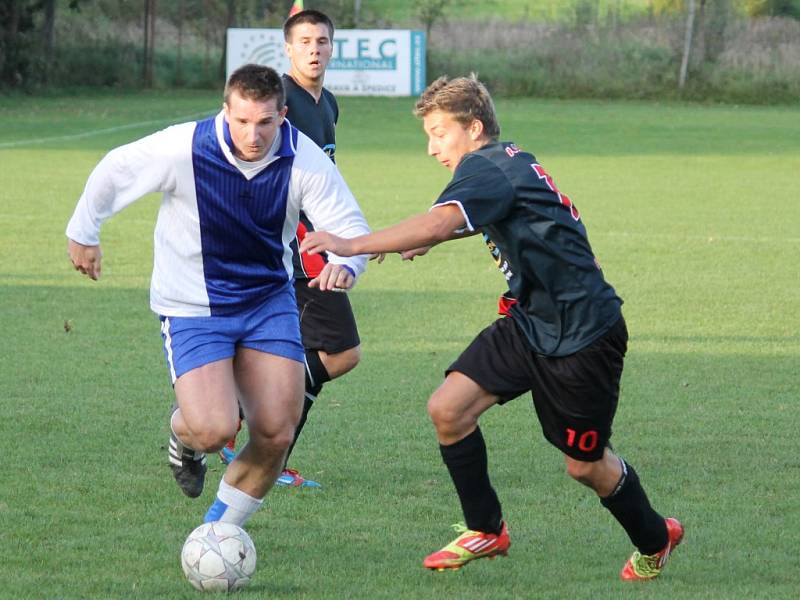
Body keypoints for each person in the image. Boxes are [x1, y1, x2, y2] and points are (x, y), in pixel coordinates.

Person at [300, 75, 683, 580]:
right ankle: (486, 529)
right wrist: (435, 240)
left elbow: (441, 219)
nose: (432, 148)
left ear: (473, 127)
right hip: (529, 321)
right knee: (448, 409)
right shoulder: (503, 161)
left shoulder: (484, 168)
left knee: (585, 466)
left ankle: (657, 537)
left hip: (584, 336)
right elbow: (479, 217)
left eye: (439, 133)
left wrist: (353, 244)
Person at [66, 64, 370, 528]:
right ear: (225, 110)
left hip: (268, 301)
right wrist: (84, 232)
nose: (254, 134)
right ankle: (182, 432)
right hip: (193, 307)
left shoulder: (302, 157)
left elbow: (348, 225)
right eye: (242, 121)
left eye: (266, 122)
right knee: (213, 429)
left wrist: (345, 264)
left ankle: (218, 533)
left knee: (275, 431)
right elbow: (116, 168)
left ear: (282, 115)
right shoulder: (184, 147)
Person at [220, 9, 365, 490]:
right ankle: (243, 413)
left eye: (322, 41)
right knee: (341, 352)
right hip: (292, 249)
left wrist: (355, 237)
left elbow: (325, 181)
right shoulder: (281, 101)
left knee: (316, 354)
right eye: (304, 41)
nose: (314, 49)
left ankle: (269, 456)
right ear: (287, 48)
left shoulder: (328, 104)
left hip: (320, 243)